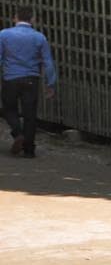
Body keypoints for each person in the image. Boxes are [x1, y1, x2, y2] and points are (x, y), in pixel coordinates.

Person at [1, 8, 56, 158]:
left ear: (15, 18)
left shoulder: (4, 34)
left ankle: (18, 133)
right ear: (32, 20)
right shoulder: (39, 37)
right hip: (31, 79)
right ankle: (29, 150)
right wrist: (50, 83)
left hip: (10, 78)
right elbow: (48, 62)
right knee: (30, 114)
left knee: (9, 109)